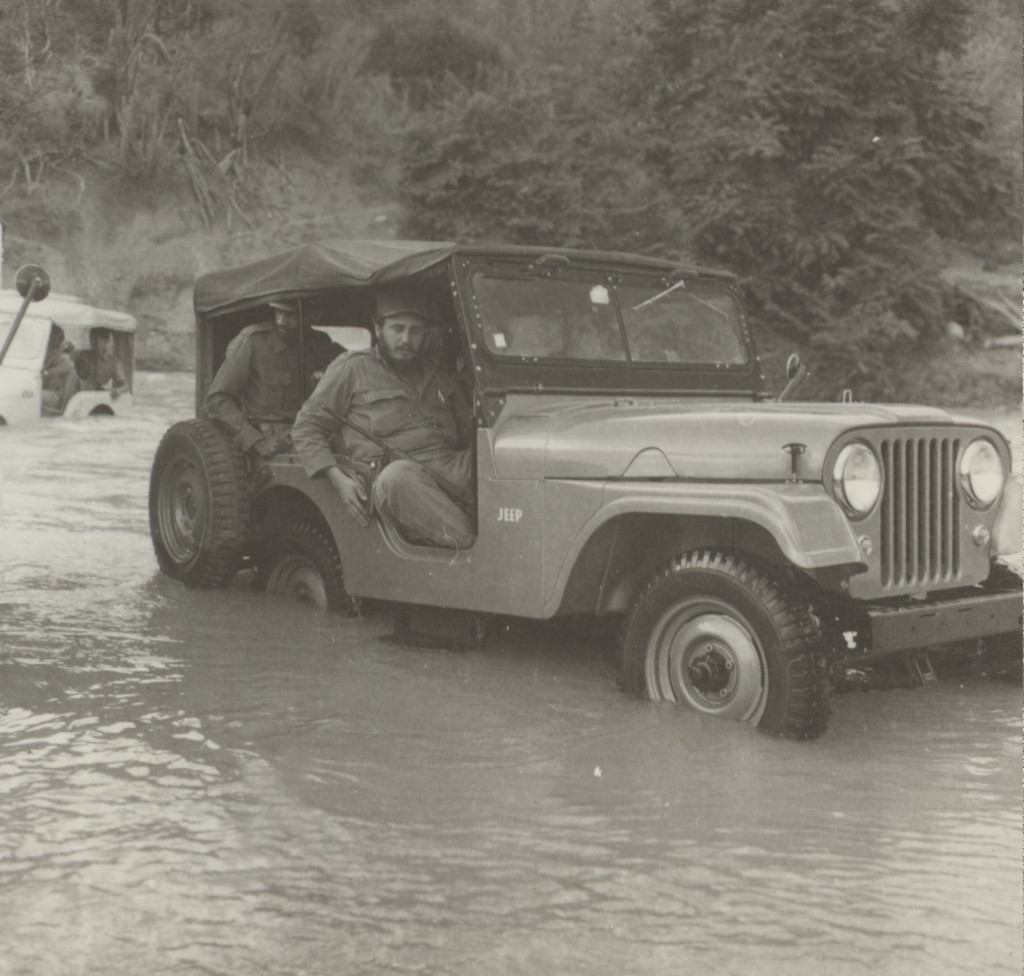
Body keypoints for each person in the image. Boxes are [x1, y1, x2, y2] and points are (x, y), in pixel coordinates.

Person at [291, 285, 475, 550]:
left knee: (494, 463)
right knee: (397, 478)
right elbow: (307, 426)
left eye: (415, 331)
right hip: (391, 475)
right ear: (378, 329)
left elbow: (468, 428)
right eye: (397, 329)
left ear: (425, 335)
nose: (406, 340)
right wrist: (339, 481)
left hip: (446, 464)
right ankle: (473, 547)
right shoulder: (353, 368)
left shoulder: (435, 374)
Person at [206, 298, 339, 458]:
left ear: (312, 316)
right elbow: (218, 400)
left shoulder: (320, 344)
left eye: (290, 314)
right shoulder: (253, 341)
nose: (281, 321)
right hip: (269, 441)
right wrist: (255, 441)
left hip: (313, 434)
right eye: (278, 312)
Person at [76, 326, 129, 397]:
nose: (92, 342)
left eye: (96, 339)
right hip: (79, 395)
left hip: (98, 396)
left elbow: (125, 386)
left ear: (106, 340)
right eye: (91, 338)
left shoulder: (113, 363)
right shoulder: (83, 355)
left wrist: (118, 391)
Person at [41, 325, 79, 416]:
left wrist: (48, 372)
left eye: (56, 336)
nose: (53, 339)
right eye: (51, 336)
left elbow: (69, 366)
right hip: (41, 387)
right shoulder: (45, 352)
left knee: (37, 397)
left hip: (55, 393)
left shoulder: (61, 355)